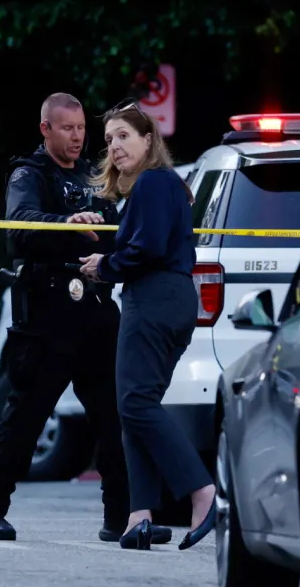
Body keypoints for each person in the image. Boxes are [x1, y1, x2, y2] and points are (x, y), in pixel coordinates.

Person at [0, 92, 173, 545]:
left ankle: (121, 517)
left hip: (98, 310)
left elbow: (120, 233)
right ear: (46, 129)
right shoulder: (30, 173)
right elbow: (18, 225)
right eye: (68, 129)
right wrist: (66, 221)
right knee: (26, 417)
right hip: (47, 312)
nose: (78, 137)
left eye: (82, 129)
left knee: (113, 418)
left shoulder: (94, 174)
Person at [79, 100, 217, 551]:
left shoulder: (156, 182)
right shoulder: (157, 188)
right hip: (165, 299)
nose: (114, 147)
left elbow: (147, 249)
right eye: (109, 140)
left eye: (123, 136)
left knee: (135, 404)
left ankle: (203, 492)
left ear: (148, 140)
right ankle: (139, 516)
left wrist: (107, 266)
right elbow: (142, 240)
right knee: (135, 407)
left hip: (155, 298)